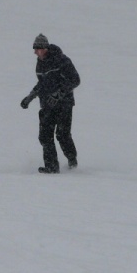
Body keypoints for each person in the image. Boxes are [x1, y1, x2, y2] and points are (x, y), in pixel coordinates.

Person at [20, 34, 81, 174]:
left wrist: (58, 94)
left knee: (62, 135)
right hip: (47, 105)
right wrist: (30, 97)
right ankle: (51, 167)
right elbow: (42, 83)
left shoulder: (61, 60)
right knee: (45, 136)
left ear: (44, 48)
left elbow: (75, 80)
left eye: (37, 49)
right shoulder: (40, 63)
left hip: (64, 104)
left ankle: (72, 161)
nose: (35, 52)